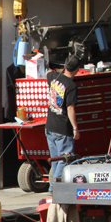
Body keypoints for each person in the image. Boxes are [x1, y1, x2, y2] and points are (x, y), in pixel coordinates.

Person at [45, 55, 80, 189]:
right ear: (78, 69)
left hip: (50, 127)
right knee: (65, 159)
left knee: (56, 160)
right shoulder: (71, 86)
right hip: (63, 129)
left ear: (64, 66)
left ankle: (54, 186)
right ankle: (55, 187)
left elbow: (47, 73)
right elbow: (70, 108)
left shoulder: (54, 77)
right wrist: (75, 128)